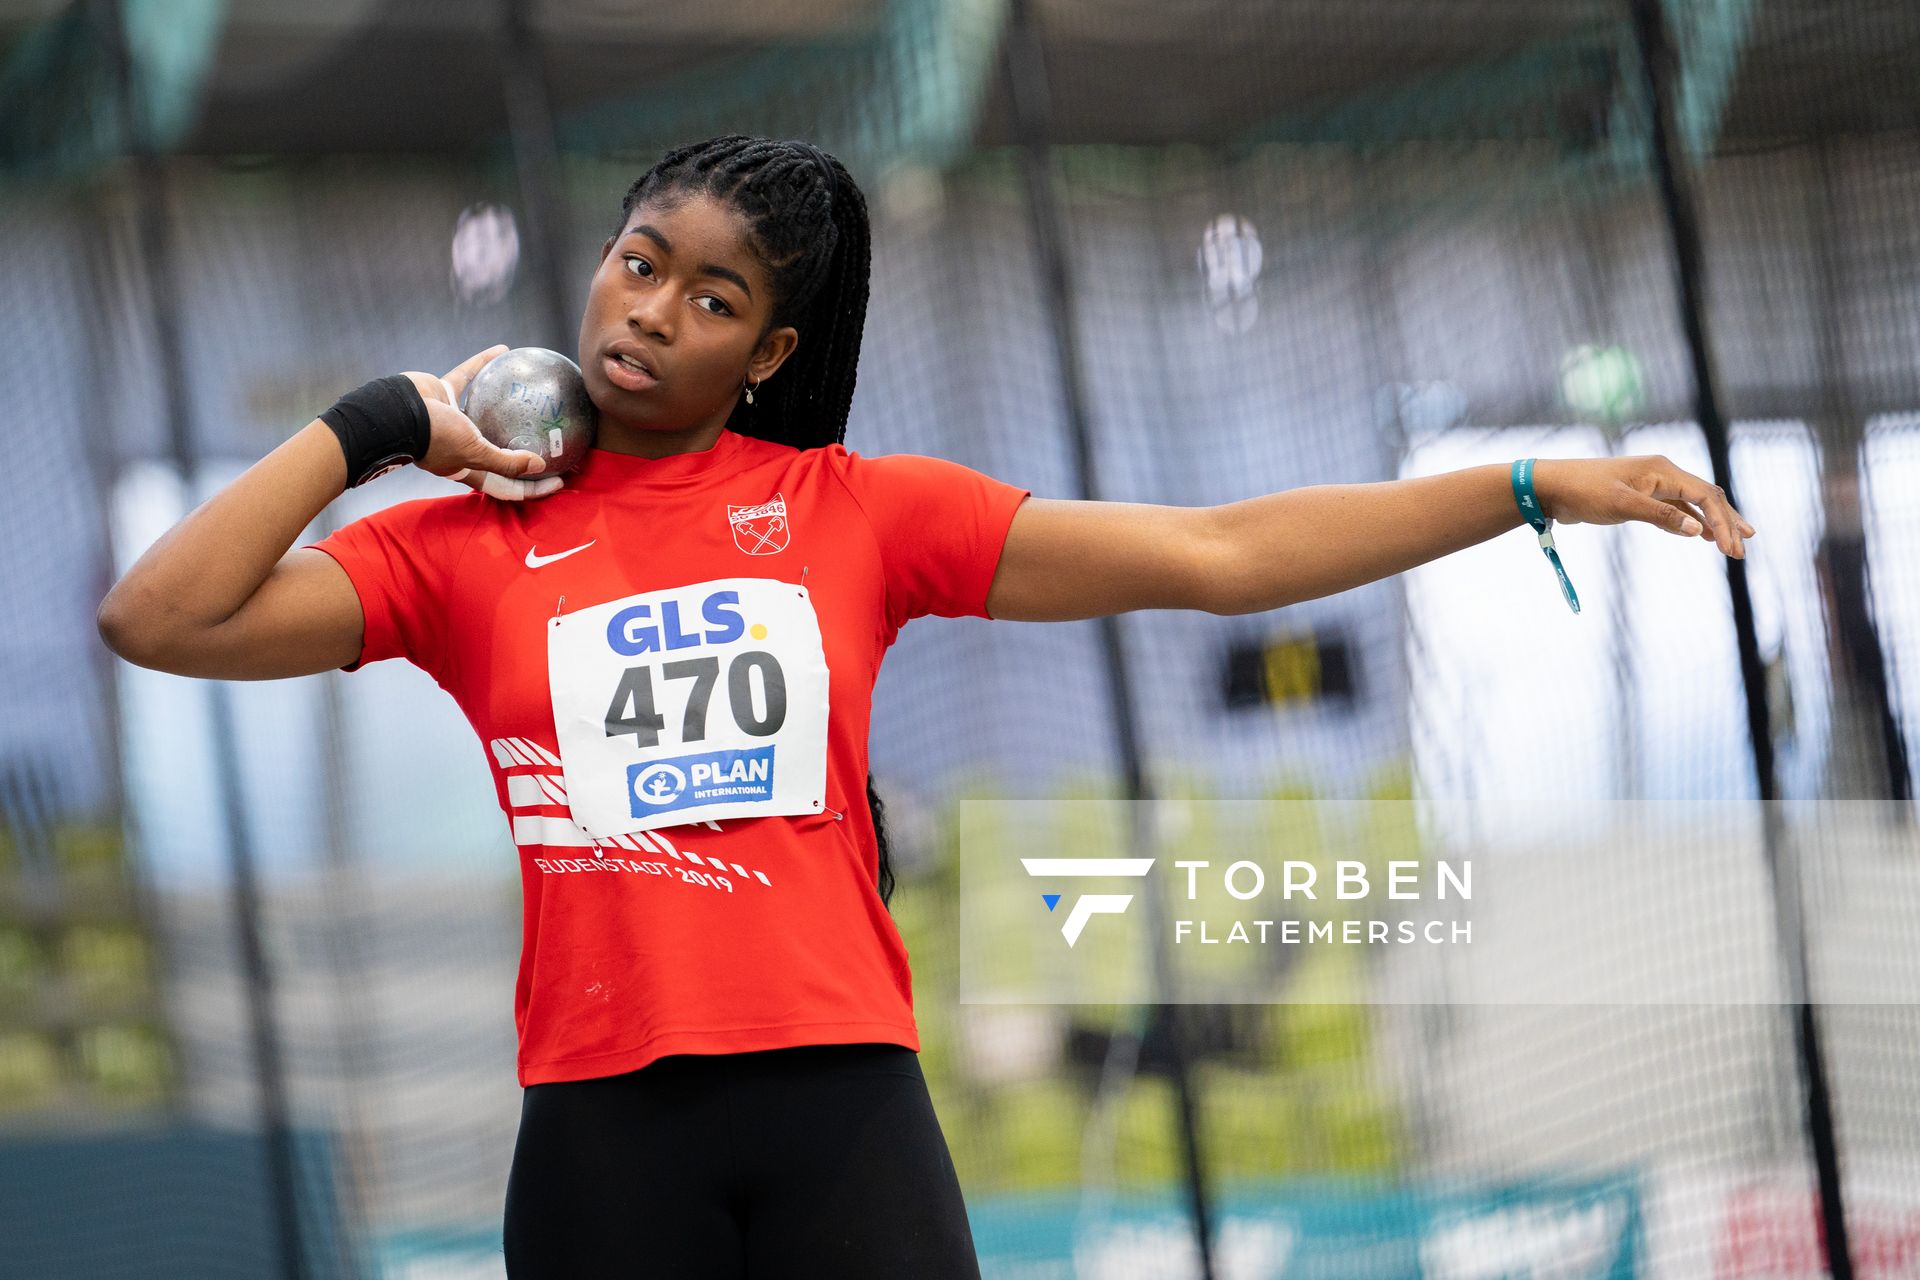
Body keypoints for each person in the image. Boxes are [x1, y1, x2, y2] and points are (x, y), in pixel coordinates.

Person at [94, 134, 1755, 1278]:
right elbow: (159, 615)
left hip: (839, 1109)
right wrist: (376, 420)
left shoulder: (856, 513)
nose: (650, 311)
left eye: (713, 298)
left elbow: (1221, 551)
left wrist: (1534, 480)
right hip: (602, 1128)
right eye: (637, 262)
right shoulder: (460, 549)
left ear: (769, 352)